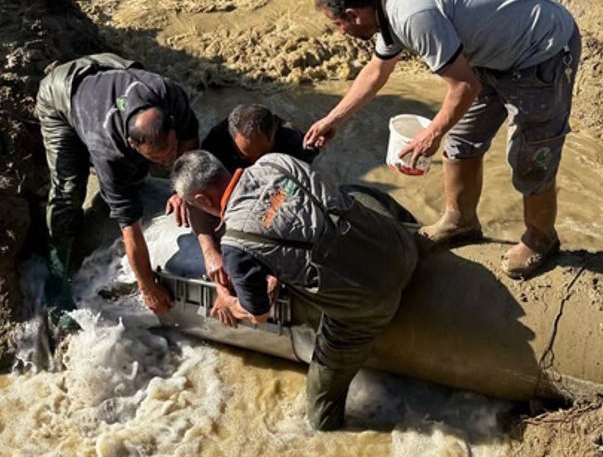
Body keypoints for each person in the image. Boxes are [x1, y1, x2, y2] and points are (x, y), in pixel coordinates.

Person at [303, 0, 581, 280]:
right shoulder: (390, 16)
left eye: (337, 24)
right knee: (461, 139)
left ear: (353, 15)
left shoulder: (412, 17)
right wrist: (333, 119)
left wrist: (431, 133)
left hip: (542, 50)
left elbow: (464, 86)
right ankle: (460, 221)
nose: (340, 33)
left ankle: (541, 238)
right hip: (494, 55)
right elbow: (377, 70)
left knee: (531, 155)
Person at [170, 150, 419, 431]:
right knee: (354, 193)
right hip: (402, 245)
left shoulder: (236, 247)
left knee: (320, 416)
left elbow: (259, 314)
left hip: (375, 300)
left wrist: (227, 301)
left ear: (203, 200)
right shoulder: (275, 161)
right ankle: (419, 228)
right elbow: (299, 214)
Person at [33, 53, 199, 323]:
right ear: (132, 144)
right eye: (159, 158)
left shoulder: (167, 93)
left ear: (170, 122)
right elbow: (130, 230)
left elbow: (190, 139)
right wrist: (148, 287)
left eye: (171, 149)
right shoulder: (108, 152)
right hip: (63, 94)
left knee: (140, 176)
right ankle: (57, 274)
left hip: (107, 67)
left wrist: (182, 189)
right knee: (68, 190)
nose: (168, 159)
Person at [200, 103, 319, 171]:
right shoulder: (216, 142)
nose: (255, 164)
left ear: (273, 135)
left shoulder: (294, 143)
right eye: (244, 156)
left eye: (262, 156)